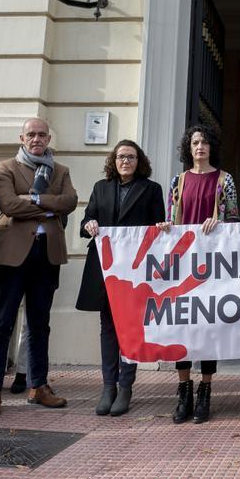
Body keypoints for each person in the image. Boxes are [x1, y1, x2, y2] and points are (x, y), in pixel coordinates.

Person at [0, 118, 78, 418]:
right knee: (1, 324)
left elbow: (70, 201)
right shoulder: (6, 168)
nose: (36, 139)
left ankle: (39, 386)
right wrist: (49, 206)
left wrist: (32, 198)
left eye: (42, 135)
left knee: (39, 324)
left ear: (49, 139)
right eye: (31, 134)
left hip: (46, 255)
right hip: (11, 255)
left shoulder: (61, 170)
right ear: (22, 137)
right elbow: (8, 205)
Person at [77, 140, 165, 418]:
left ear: (140, 162)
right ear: (113, 161)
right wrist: (88, 224)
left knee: (130, 328)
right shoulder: (100, 188)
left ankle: (126, 386)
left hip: (135, 271)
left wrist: (162, 227)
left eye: (131, 157)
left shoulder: (151, 189)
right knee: (107, 326)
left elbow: (158, 227)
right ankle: (108, 387)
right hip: (104, 267)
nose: (125, 161)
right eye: (120, 157)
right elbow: (86, 220)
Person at [160, 124, 239, 424]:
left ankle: (206, 389)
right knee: (182, 326)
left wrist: (219, 225)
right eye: (195, 142)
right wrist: (167, 227)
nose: (200, 147)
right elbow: (170, 218)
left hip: (212, 264)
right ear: (188, 148)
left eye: (205, 142)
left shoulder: (225, 180)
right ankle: (183, 390)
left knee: (207, 327)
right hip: (183, 265)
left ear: (211, 147)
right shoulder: (177, 181)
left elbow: (234, 218)